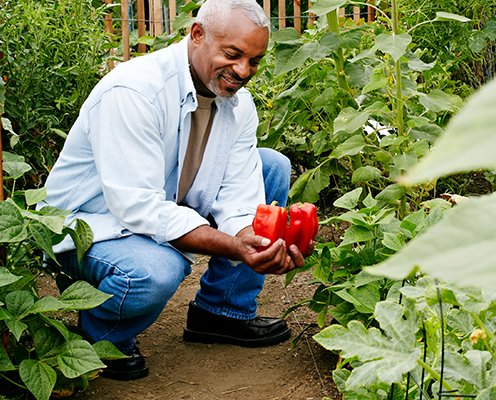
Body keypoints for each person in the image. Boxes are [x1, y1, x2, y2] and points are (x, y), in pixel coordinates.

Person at [42, 0, 305, 381]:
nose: (244, 71)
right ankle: (101, 338)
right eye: (233, 55)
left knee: (271, 167)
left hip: (164, 203)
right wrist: (235, 246)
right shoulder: (135, 90)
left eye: (255, 60)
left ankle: (221, 313)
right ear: (197, 35)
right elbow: (138, 207)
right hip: (92, 227)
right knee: (155, 271)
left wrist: (252, 237)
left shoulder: (237, 103)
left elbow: (240, 192)